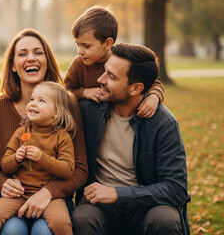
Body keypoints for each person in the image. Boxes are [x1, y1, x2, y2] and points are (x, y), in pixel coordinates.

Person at [72, 43, 189, 235]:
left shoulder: (163, 123)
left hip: (146, 207)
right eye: (105, 71)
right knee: (83, 217)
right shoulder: (88, 111)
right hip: (100, 207)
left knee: (165, 220)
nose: (100, 79)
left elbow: (176, 188)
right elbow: (53, 98)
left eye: (111, 76)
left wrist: (118, 194)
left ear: (136, 88)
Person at [0, 28, 88, 235]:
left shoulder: (67, 106)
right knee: (12, 230)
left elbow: (80, 169)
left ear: (47, 60)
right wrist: (3, 184)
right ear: (12, 65)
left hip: (54, 197)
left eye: (38, 53)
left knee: (44, 231)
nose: (31, 58)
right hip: (11, 194)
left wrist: (49, 192)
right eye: (22, 54)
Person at [0, 81, 77, 235]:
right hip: (19, 192)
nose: (33, 103)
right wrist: (16, 158)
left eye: (42, 101)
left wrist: (42, 158)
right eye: (32, 99)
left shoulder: (62, 136)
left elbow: (67, 170)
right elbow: (5, 165)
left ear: (57, 112)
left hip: (50, 197)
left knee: (61, 222)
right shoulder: (21, 133)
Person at [64, 5, 165, 118]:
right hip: (92, 121)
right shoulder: (78, 64)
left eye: (86, 46)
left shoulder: (121, 60)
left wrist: (154, 97)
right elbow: (65, 93)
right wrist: (84, 92)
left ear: (107, 43)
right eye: (77, 44)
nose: (80, 51)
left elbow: (152, 83)